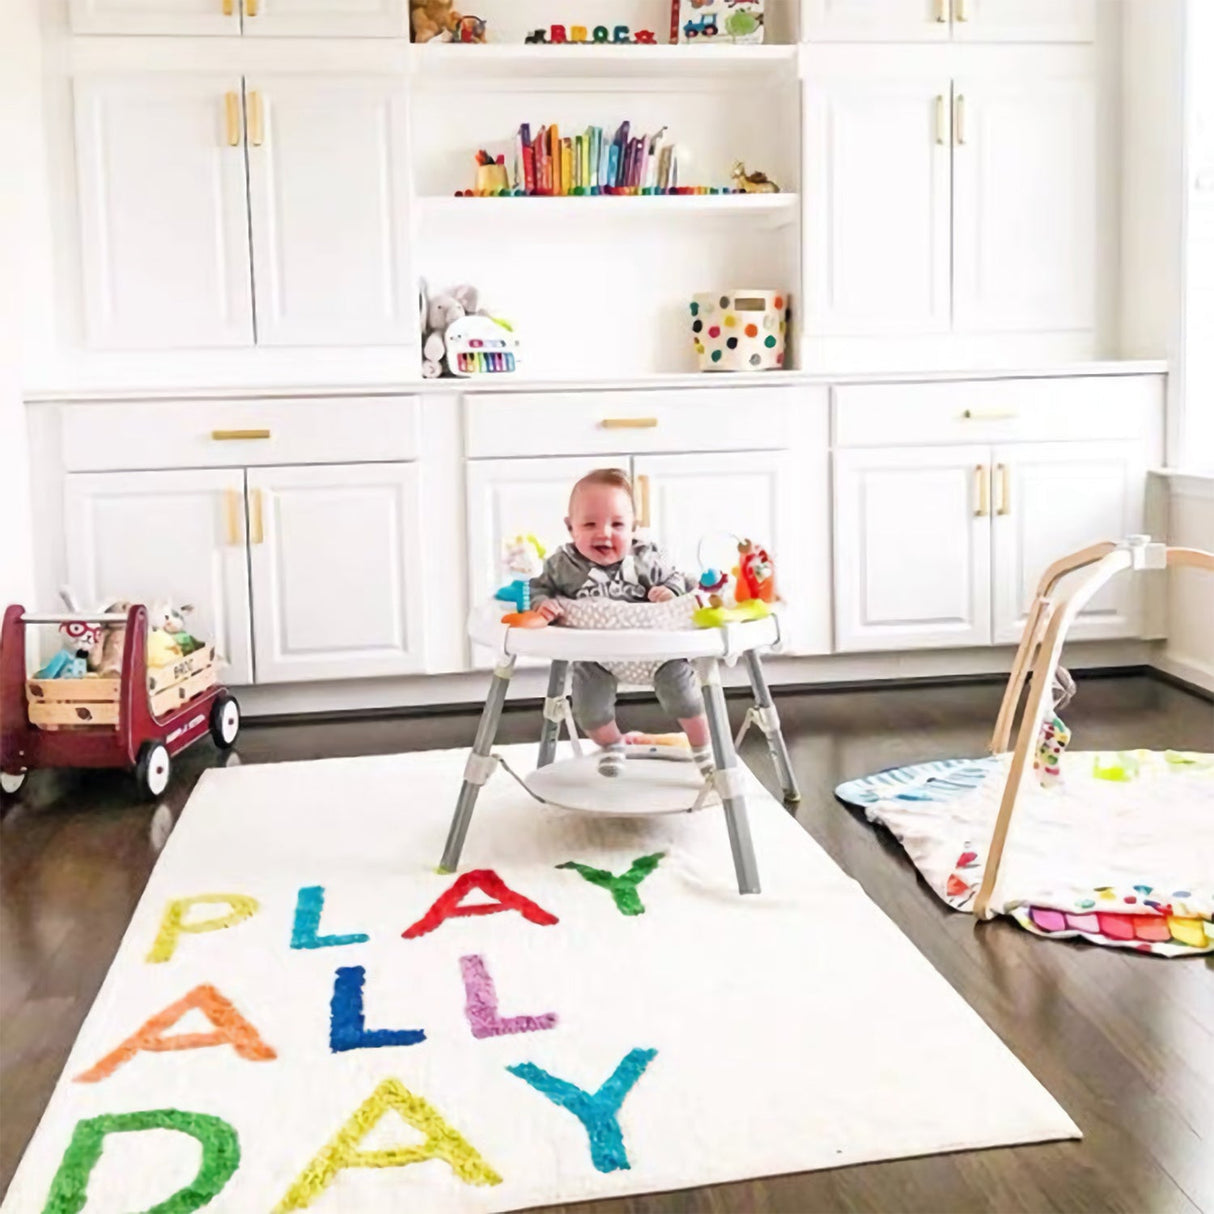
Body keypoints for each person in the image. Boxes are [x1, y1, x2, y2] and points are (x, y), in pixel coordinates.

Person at [529, 467, 714, 778]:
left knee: (684, 696)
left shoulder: (646, 559)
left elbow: (680, 578)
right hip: (597, 654)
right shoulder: (563, 565)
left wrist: (669, 590)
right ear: (570, 527)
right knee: (588, 708)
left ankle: (703, 748)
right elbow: (538, 587)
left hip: (657, 650)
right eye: (590, 524)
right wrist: (543, 603)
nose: (604, 533)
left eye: (617, 524)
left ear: (633, 528)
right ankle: (613, 744)